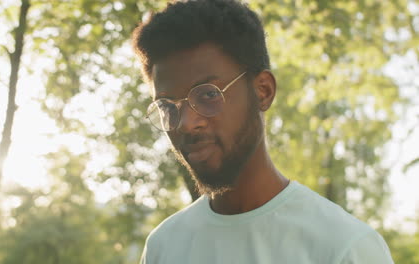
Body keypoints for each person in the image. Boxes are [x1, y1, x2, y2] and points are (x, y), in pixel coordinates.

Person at [132, 0, 394, 263]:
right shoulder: (163, 247)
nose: (187, 123)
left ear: (263, 91)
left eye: (208, 94)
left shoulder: (344, 247)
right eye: (167, 107)